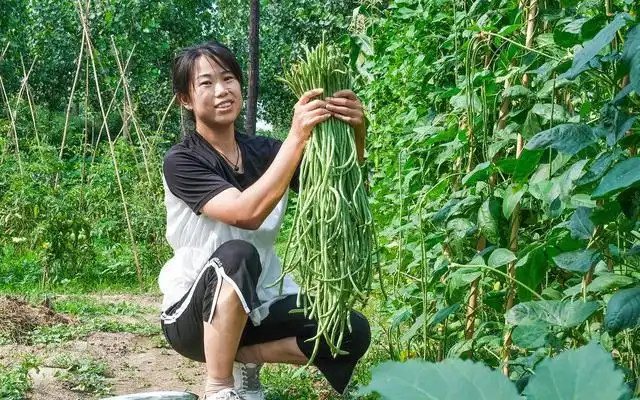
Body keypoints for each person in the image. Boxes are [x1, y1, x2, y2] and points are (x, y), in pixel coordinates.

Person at [159, 40, 371, 400]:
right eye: (206, 83)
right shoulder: (182, 160)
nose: (222, 91)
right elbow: (247, 213)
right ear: (186, 99)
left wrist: (356, 133)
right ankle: (218, 387)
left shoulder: (267, 151)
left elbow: (342, 188)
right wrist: (297, 136)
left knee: (350, 330)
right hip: (194, 316)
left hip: (259, 303)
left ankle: (243, 358)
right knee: (238, 253)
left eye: (228, 78)